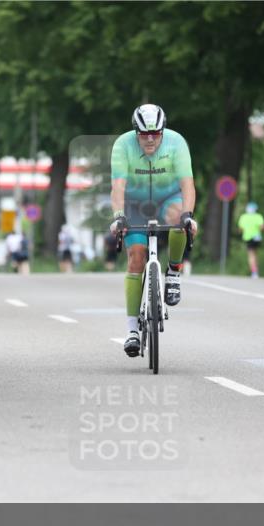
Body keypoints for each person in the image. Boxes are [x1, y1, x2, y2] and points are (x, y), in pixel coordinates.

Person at [108, 104, 197, 357]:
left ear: (163, 130)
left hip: (168, 198)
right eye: (144, 134)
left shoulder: (177, 142)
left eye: (155, 133)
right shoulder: (122, 145)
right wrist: (118, 217)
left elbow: (187, 185)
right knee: (136, 256)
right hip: (135, 204)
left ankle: (174, 272)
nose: (149, 139)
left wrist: (188, 216)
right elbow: (118, 187)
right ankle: (132, 330)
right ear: (135, 131)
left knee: (179, 217)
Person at [237, 201, 264, 278]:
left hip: (248, 237)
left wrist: (244, 230)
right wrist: (257, 230)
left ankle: (254, 271)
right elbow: (262, 227)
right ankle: (256, 270)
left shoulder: (244, 217)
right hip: (257, 237)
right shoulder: (258, 216)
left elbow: (240, 229)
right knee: (255, 254)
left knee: (251, 255)